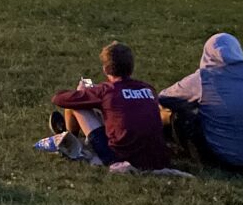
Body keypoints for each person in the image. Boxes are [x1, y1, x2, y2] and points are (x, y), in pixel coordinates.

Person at [37, 41, 170, 170]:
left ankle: (70, 138)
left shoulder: (107, 90)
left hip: (120, 156)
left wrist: (83, 92)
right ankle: (68, 134)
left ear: (105, 69)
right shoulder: (148, 89)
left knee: (76, 105)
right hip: (155, 156)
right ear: (131, 67)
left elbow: (59, 99)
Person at [159, 33, 243, 170]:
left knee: (178, 116)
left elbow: (164, 98)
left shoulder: (205, 77)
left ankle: (186, 154)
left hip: (229, 160)